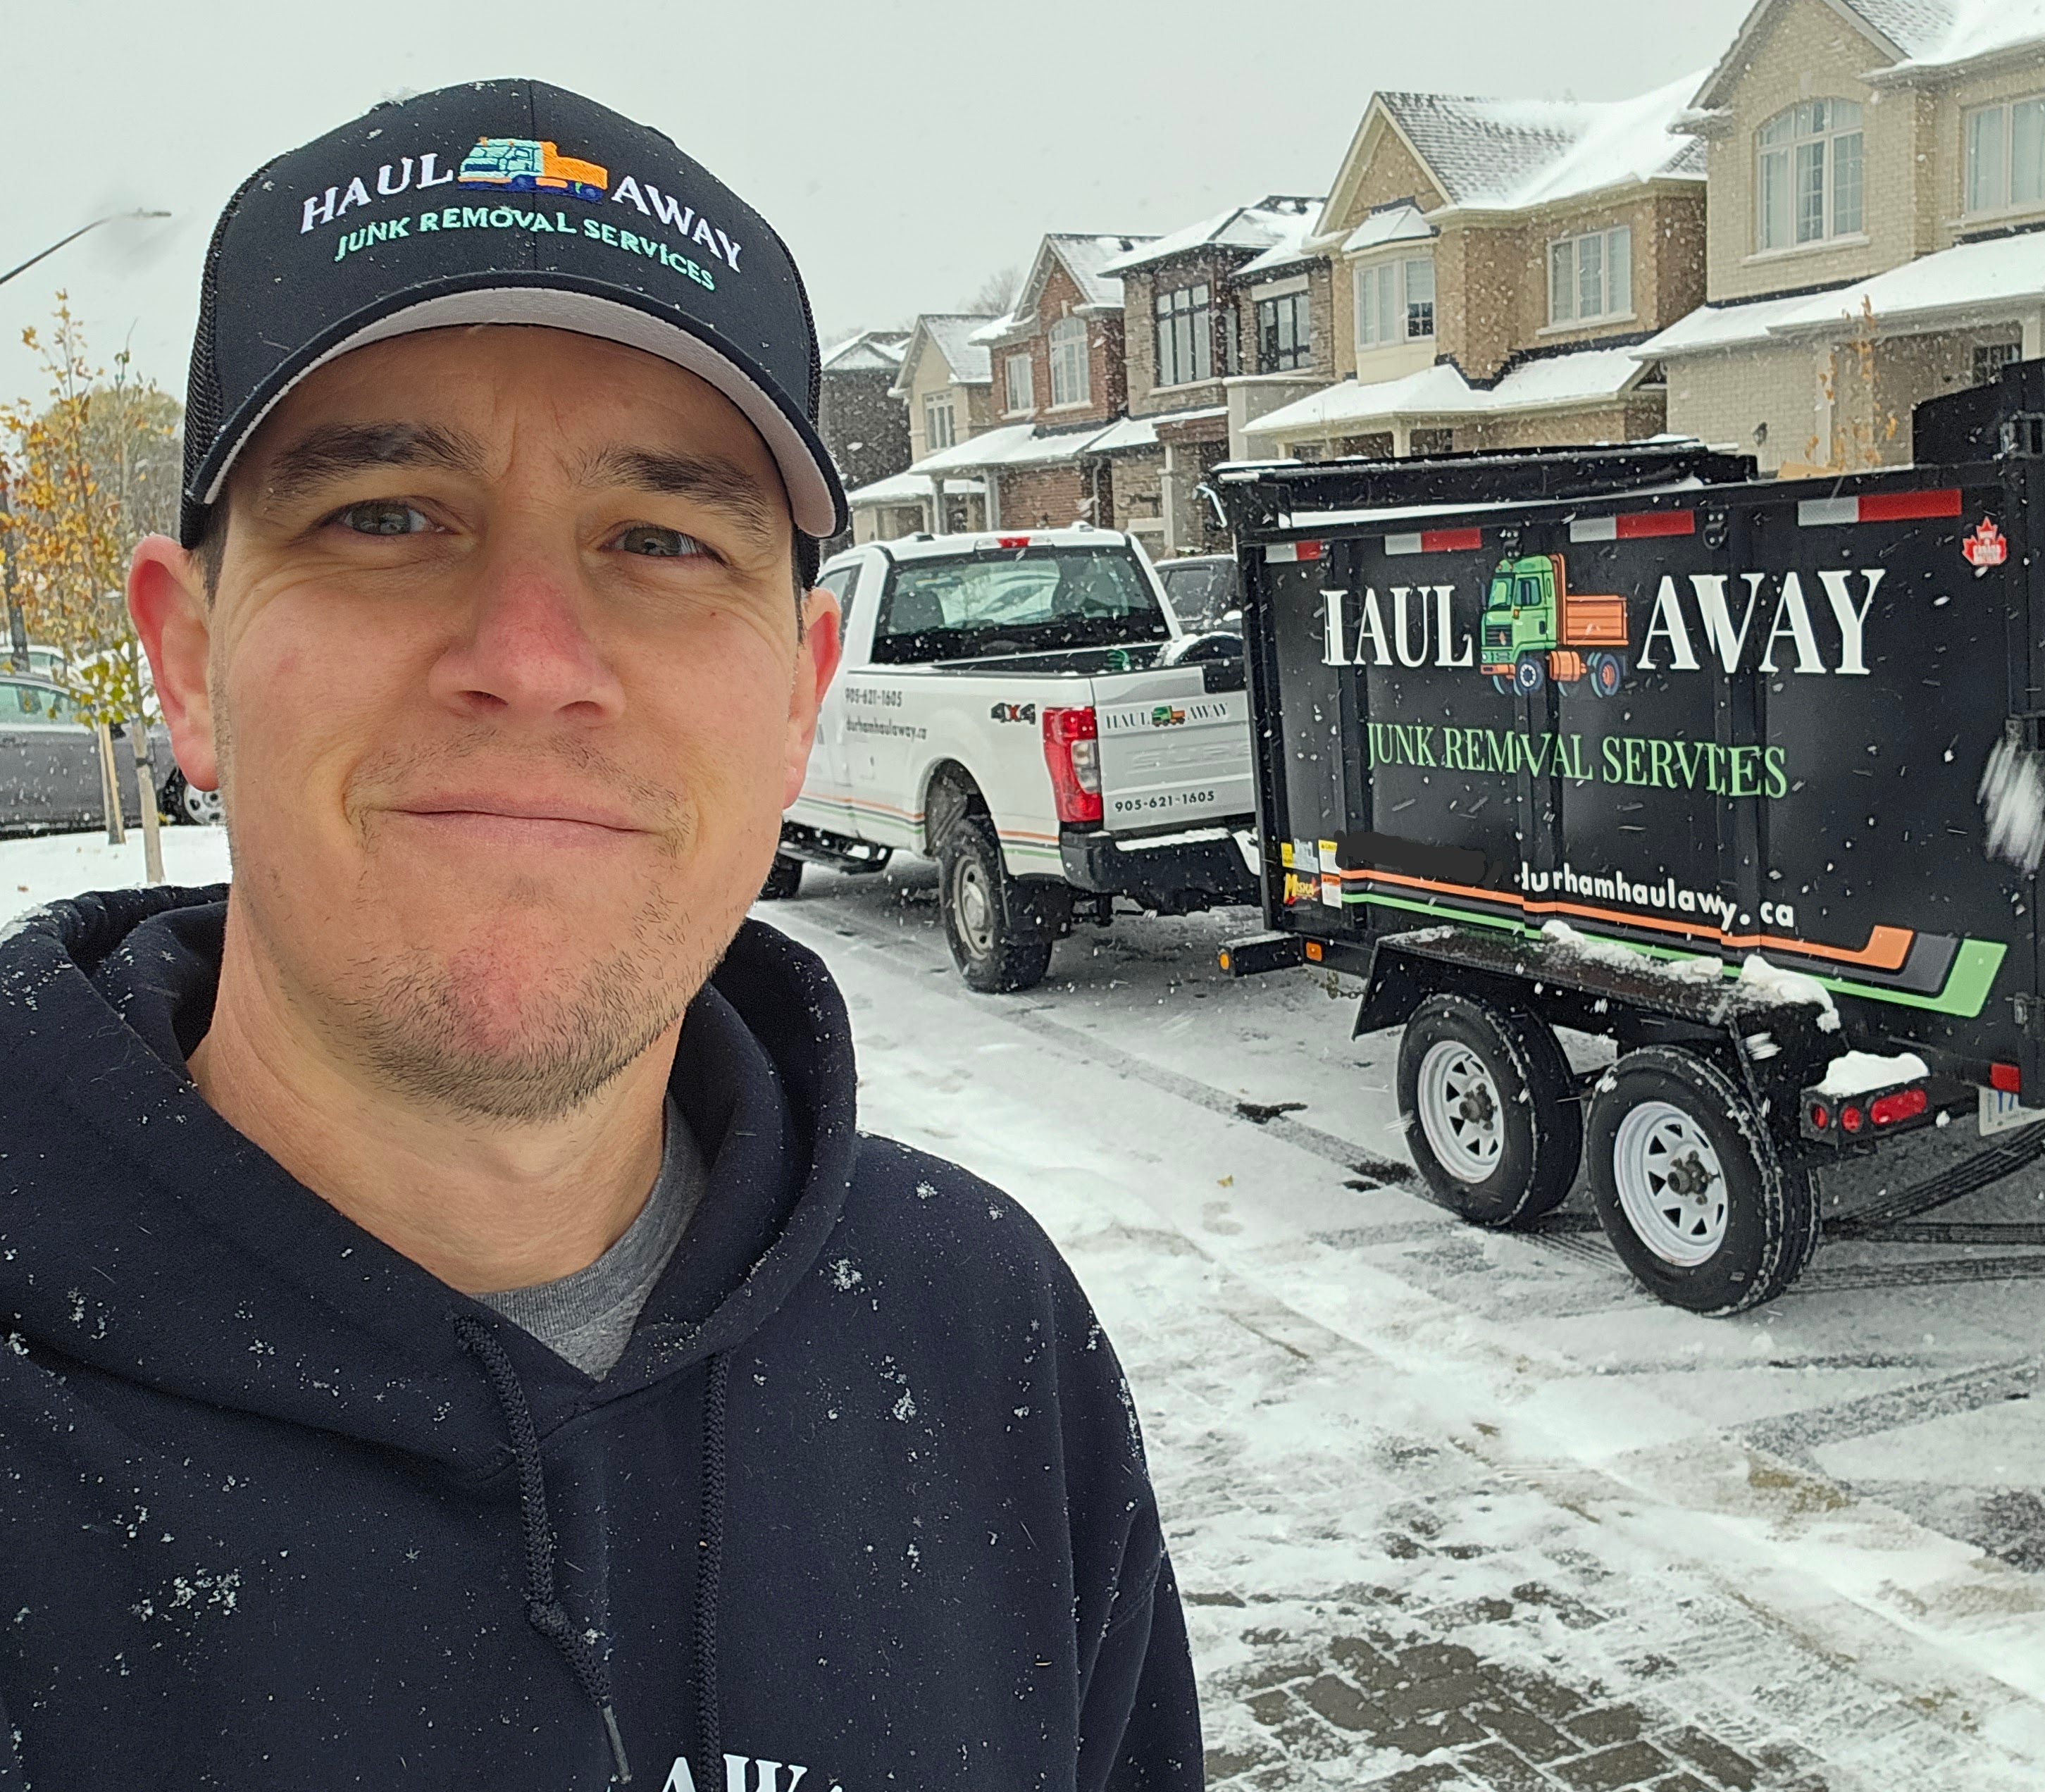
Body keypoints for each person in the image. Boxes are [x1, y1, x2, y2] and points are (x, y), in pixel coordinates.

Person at [0, 80, 1199, 1792]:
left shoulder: (975, 1323)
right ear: (188, 663)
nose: (533, 651)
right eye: (387, 516)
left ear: (796, 705)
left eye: (662, 538)